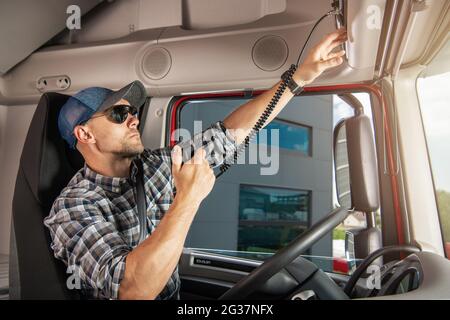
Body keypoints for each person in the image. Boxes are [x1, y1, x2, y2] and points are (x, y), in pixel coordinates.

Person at [44, 28, 347, 300]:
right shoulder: (73, 208)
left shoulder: (154, 166)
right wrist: (188, 199)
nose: (134, 118)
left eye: (132, 111)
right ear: (84, 133)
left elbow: (229, 134)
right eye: (119, 115)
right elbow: (132, 290)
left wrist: (298, 80)